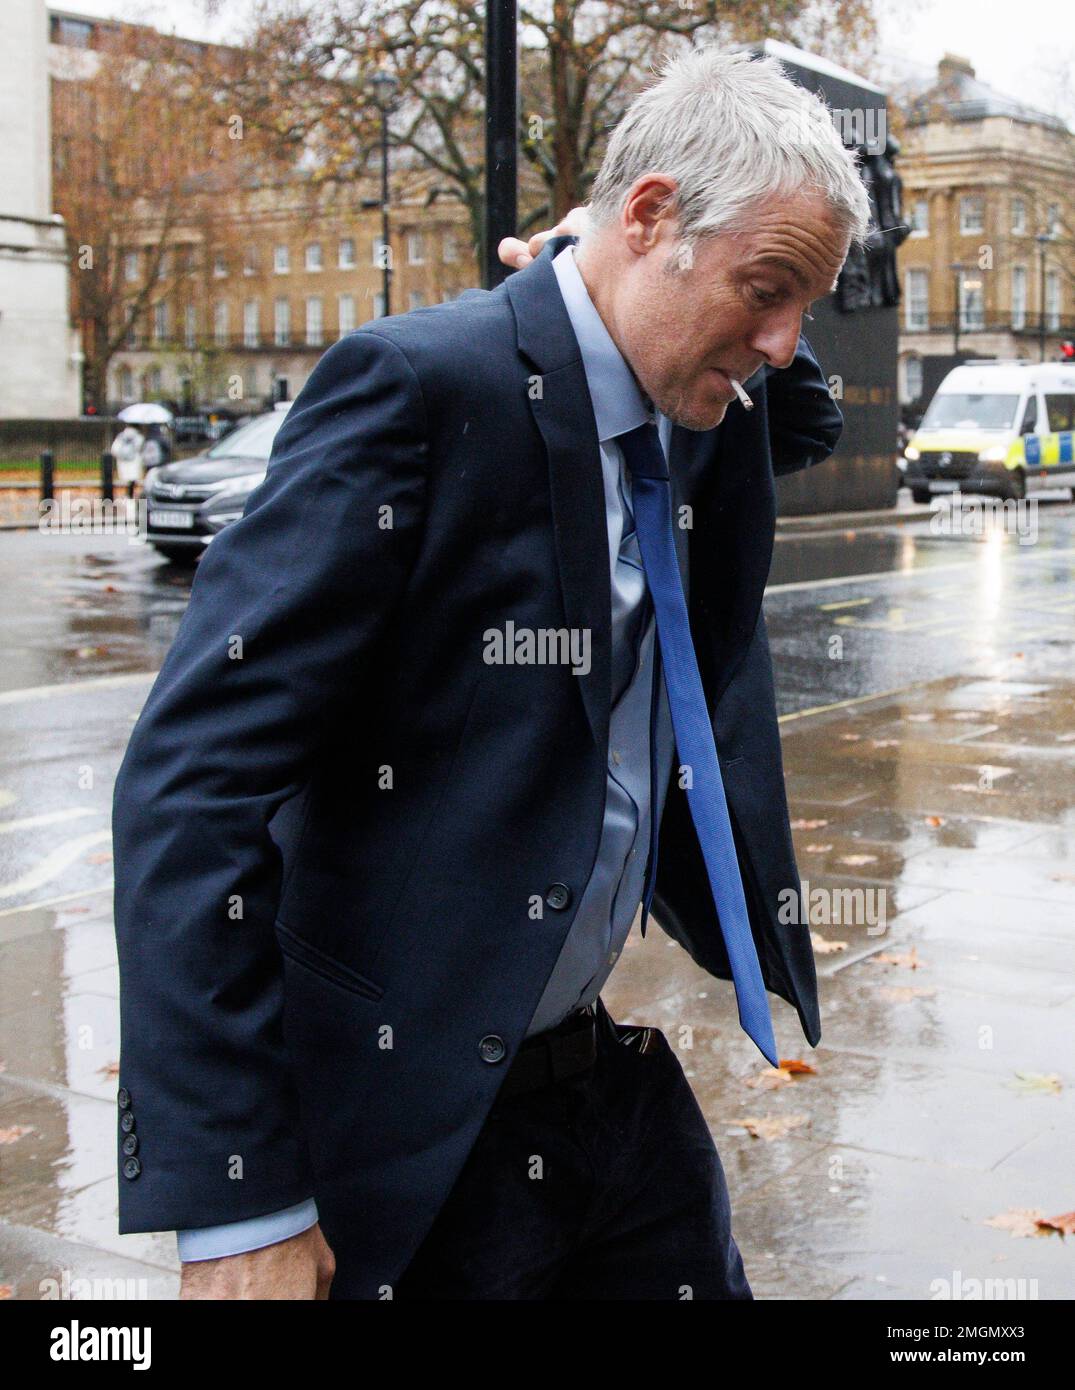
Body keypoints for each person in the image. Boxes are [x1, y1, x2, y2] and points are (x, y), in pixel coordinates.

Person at [111, 46, 870, 1300]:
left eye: (806, 302)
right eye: (768, 288)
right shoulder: (420, 391)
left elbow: (809, 412)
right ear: (648, 217)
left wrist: (652, 277)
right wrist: (236, 1198)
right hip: (410, 1107)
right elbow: (188, 790)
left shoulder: (703, 391)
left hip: (596, 1084)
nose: (785, 345)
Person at [111, 424, 145, 498]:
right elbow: (139, 447)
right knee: (133, 479)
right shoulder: (139, 437)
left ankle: (127, 494)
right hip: (134, 461)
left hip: (122, 461)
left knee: (125, 479)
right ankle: (130, 494)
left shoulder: (121, 436)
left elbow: (114, 449)